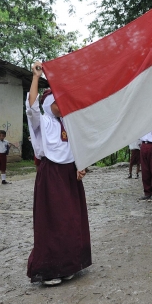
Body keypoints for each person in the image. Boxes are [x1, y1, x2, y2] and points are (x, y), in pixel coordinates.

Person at [26, 61, 91, 286]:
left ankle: (71, 264)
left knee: (72, 218)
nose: (63, 105)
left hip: (70, 175)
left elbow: (76, 148)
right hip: (51, 175)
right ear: (50, 103)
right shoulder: (41, 121)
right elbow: (32, 107)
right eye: (58, 102)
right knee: (54, 220)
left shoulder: (68, 123)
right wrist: (36, 77)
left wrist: (81, 166)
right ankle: (52, 269)